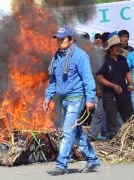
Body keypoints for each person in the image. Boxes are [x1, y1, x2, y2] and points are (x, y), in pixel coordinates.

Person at [44, 26, 100, 175]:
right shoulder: (57, 56)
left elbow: (88, 79)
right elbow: (53, 80)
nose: (60, 41)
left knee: (68, 131)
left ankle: (61, 165)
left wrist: (90, 99)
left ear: (71, 39)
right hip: (64, 99)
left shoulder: (80, 56)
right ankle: (93, 160)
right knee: (76, 133)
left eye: (63, 39)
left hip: (76, 98)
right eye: (58, 38)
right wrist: (48, 96)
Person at [96, 32, 134, 140]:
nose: (118, 48)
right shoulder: (103, 60)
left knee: (129, 118)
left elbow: (127, 72)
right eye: (115, 46)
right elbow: (99, 77)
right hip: (109, 95)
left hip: (124, 94)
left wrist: (131, 83)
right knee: (111, 120)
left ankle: (131, 140)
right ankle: (113, 141)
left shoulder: (122, 59)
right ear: (110, 48)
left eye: (119, 46)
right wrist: (113, 86)